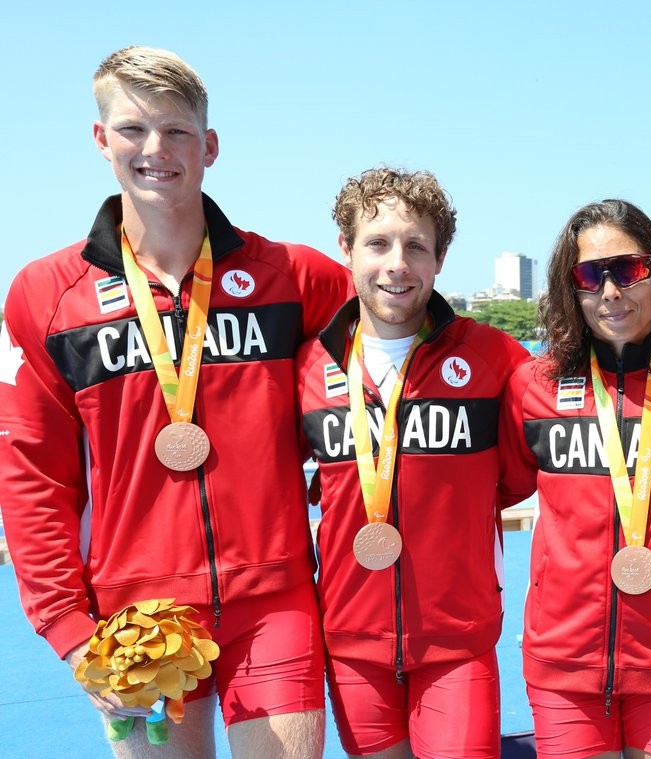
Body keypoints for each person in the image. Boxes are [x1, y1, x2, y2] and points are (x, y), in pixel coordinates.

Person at [0, 46, 352, 757]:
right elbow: (31, 475)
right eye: (133, 129)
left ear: (209, 146)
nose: (155, 149)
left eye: (177, 131)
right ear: (101, 140)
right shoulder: (44, 296)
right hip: (135, 616)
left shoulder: (297, 276)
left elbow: (404, 370)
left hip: (273, 600)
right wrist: (70, 631)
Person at [296, 167, 532, 758]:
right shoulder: (305, 368)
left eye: (416, 246)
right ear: (346, 250)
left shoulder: (493, 355)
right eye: (377, 243)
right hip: (350, 637)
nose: (396, 263)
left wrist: (456, 502)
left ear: (440, 258)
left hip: (458, 637)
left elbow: (520, 472)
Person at [499, 199, 651, 758]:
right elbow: (499, 487)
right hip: (564, 657)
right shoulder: (534, 386)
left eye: (627, 269)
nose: (610, 291)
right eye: (589, 275)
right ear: (570, 287)